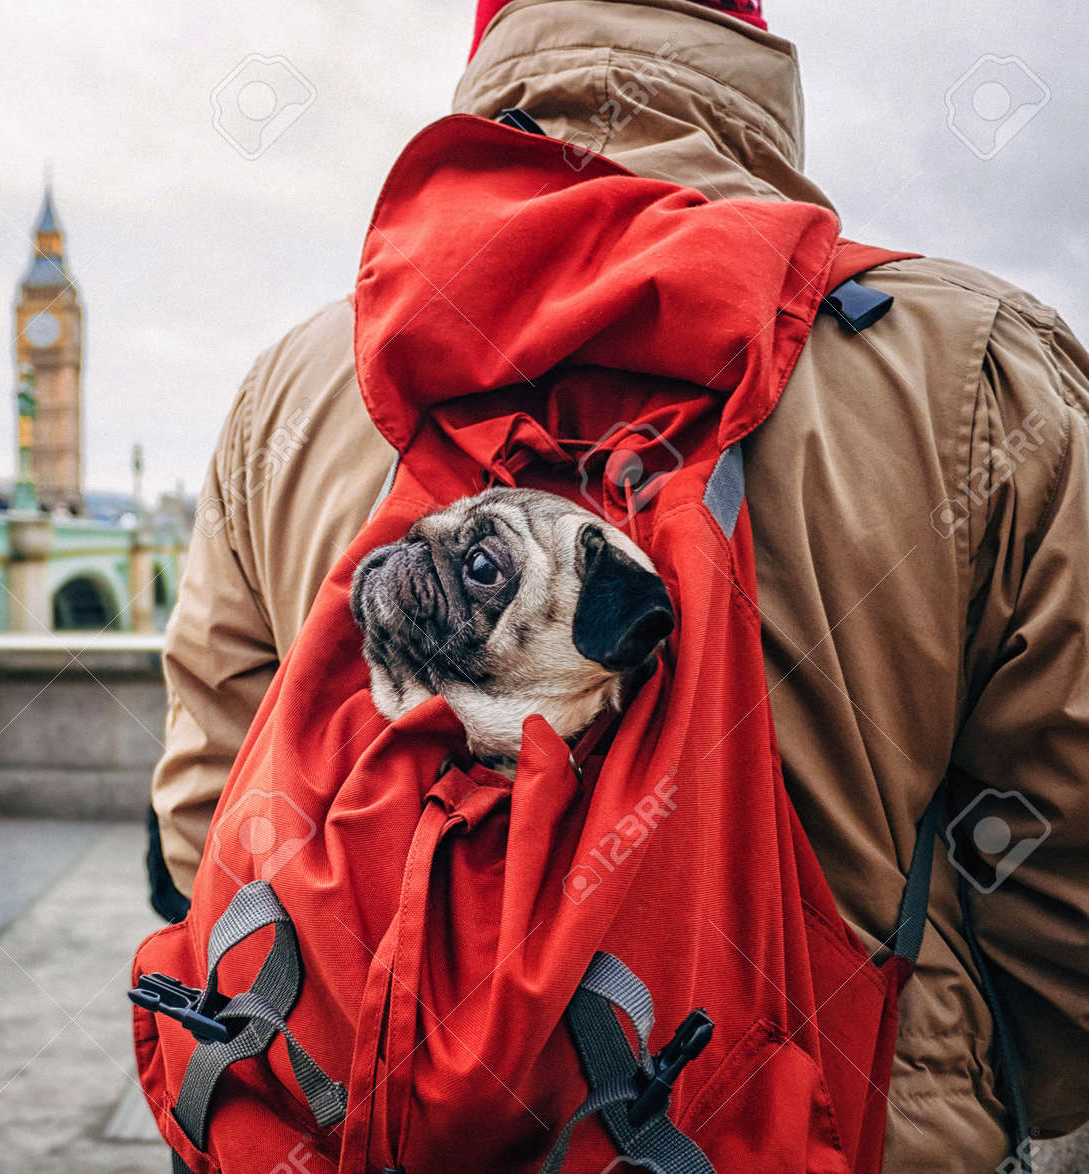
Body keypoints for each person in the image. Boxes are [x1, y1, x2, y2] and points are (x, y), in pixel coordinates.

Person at [149, 0, 1089, 1168]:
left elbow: (206, 809)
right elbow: (1062, 844)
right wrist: (1032, 1104)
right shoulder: (976, 367)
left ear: (493, 36)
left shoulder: (293, 387)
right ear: (744, 35)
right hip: (836, 1123)